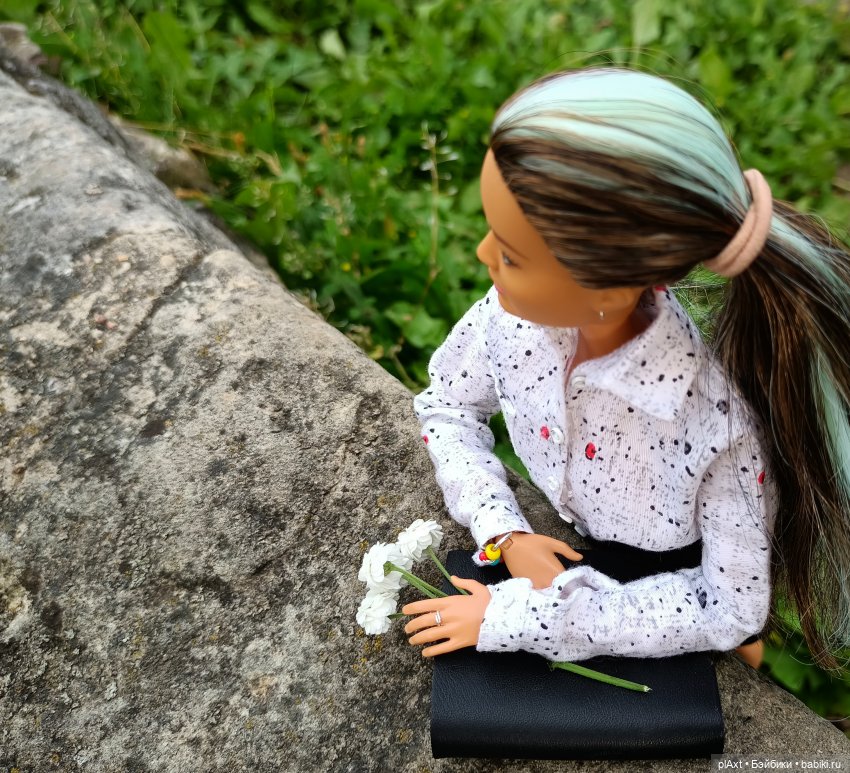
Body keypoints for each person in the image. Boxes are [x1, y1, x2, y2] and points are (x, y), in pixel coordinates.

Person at [402, 68, 850, 670]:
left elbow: (729, 604)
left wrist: (519, 617)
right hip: (575, 544)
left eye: (510, 254)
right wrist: (503, 531)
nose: (483, 254)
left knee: (736, 656)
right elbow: (447, 405)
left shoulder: (716, 427)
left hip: (670, 578)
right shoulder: (508, 322)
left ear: (607, 291)